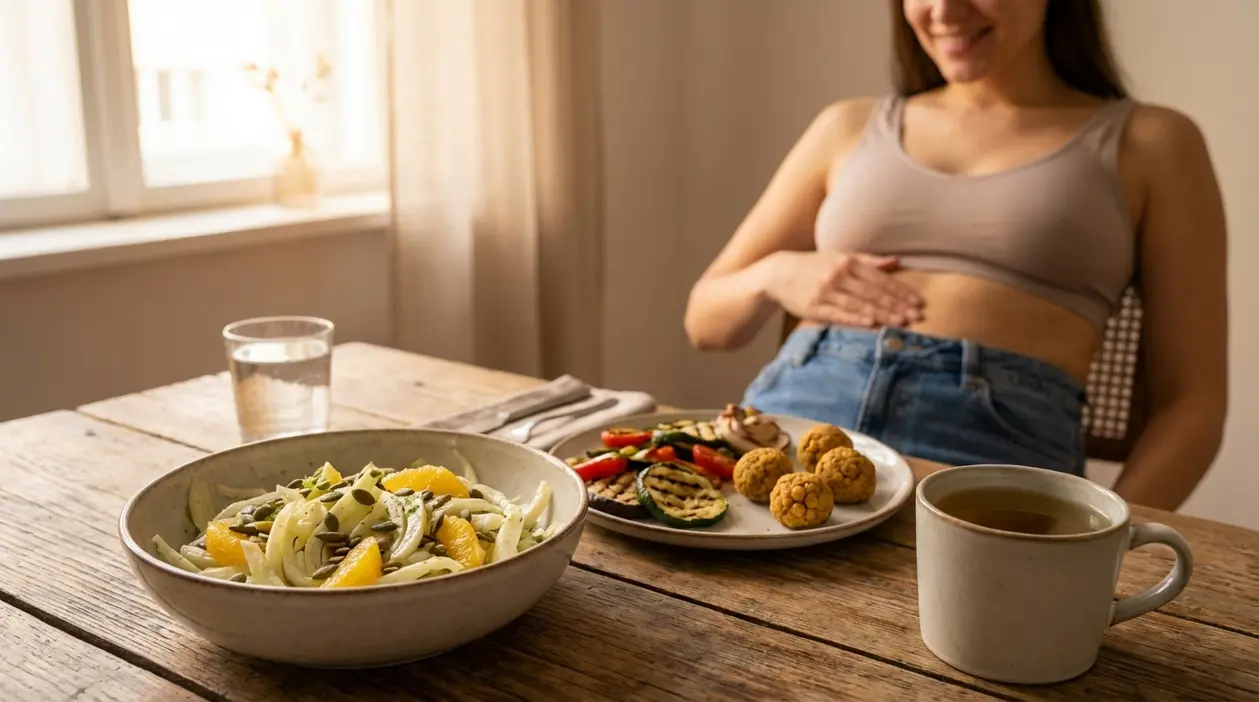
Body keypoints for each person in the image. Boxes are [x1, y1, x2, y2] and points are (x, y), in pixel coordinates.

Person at [683, 0, 1227, 511]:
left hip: (990, 449)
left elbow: (1192, 404)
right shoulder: (846, 125)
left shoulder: (1154, 142)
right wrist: (777, 275)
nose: (944, 10)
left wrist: (1109, 540)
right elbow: (706, 323)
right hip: (794, 421)